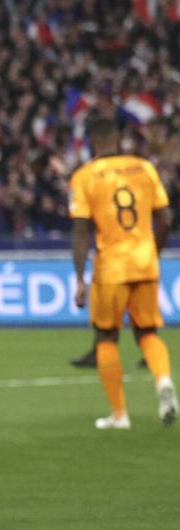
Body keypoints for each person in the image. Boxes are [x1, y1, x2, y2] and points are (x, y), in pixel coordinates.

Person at [69, 115, 177, 429]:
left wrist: (79, 277)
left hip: (111, 267)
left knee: (106, 336)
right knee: (147, 332)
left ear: (92, 142)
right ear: (118, 139)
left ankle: (119, 415)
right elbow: (167, 218)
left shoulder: (85, 176)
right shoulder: (144, 168)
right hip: (145, 262)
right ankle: (163, 380)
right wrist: (152, 252)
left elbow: (80, 230)